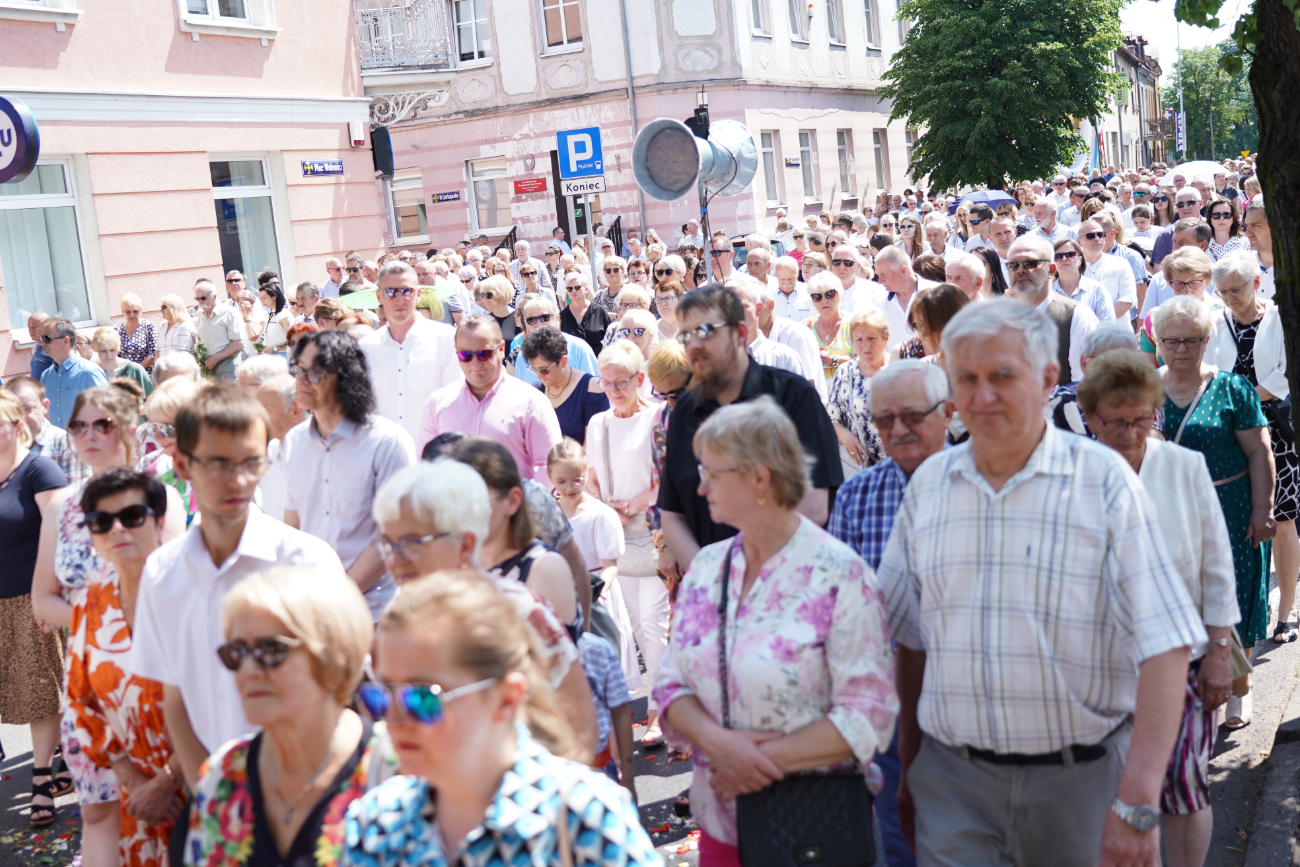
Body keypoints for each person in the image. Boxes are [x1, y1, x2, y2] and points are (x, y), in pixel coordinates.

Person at [878, 298, 1206, 867]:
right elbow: (911, 640)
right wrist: (910, 768)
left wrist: (1137, 800)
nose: (983, 396)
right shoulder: (928, 487)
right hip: (953, 788)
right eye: (967, 378)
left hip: (1082, 786)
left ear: (1049, 377)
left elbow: (1166, 644)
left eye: (1002, 375)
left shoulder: (1105, 484)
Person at [653, 398, 897, 865]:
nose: (699, 487)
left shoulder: (838, 573)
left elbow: (868, 713)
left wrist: (755, 762)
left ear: (760, 478)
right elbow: (669, 684)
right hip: (722, 824)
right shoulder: (707, 567)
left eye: (713, 473)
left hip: (814, 828)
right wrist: (722, 744)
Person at [343, 570, 653, 866]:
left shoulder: (584, 815)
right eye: (380, 696)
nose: (393, 721)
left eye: (423, 698)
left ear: (506, 697)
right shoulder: (374, 824)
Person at [129, 384, 347, 805]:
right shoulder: (161, 572)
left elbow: (339, 687)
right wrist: (209, 797)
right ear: (182, 465)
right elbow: (174, 696)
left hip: (306, 795)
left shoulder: (307, 561)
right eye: (218, 464)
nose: (239, 480)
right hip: (215, 799)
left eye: (251, 461)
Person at [1077, 352, 1240, 867]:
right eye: (1114, 421)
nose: (1129, 431)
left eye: (1141, 418)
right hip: (1098, 668)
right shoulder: (1071, 475)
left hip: (1186, 658)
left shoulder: (1184, 466)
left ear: (1155, 412)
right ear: (1089, 417)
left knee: (1184, 782)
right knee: (1108, 791)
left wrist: (1218, 651)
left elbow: (1216, 566)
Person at [30, 385, 184, 853]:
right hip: (87, 678)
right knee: (98, 811)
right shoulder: (62, 507)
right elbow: (42, 600)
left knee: (163, 810)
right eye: (79, 425)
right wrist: (99, 621)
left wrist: (107, 619)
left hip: (152, 672)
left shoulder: (159, 499)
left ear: (131, 431)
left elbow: (171, 587)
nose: (89, 435)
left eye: (103, 424)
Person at [369, 459, 600, 752]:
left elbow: (578, 727)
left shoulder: (520, 612)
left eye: (412, 542)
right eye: (387, 544)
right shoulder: (396, 617)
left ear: (465, 545)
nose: (395, 558)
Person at [184, 567, 397, 865]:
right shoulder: (221, 776)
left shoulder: (394, 769)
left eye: (271, 650)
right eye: (237, 653)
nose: (248, 671)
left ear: (332, 656)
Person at [828, 359, 952, 867]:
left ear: (947, 413)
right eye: (884, 420)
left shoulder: (984, 482)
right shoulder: (858, 493)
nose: (897, 430)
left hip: (973, 701)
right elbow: (839, 608)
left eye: (912, 416)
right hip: (891, 704)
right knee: (903, 842)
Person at [1154, 294, 1276, 728]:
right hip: (1169, 512)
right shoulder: (1145, 389)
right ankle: (1187, 688)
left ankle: (1238, 690)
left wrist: (1263, 510)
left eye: (1192, 340)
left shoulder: (1232, 387)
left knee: (1235, 595)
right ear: (1157, 341)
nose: (1182, 349)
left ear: (1207, 341)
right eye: (1172, 341)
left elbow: (1260, 453)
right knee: (1185, 596)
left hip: (1230, 505)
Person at [658, 285, 841, 571]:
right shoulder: (684, 410)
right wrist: (709, 576)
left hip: (788, 582)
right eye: (686, 335)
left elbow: (816, 505)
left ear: (740, 334)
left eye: (705, 331)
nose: (694, 344)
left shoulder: (794, 396)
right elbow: (672, 513)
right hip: (711, 590)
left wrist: (748, 570)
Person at [72, 469, 187, 863]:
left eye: (132, 516)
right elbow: (81, 699)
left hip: (201, 781)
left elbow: (223, 701)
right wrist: (136, 781)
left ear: (158, 522)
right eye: (102, 522)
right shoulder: (90, 602)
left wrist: (169, 781)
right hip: (135, 794)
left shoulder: (192, 595)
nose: (117, 529)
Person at [284, 332, 415, 620]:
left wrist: (340, 595)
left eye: (315, 371)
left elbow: (393, 535)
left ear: (345, 377)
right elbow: (293, 527)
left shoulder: (387, 441)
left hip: (375, 612)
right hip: (312, 610)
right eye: (298, 369)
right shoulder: (293, 442)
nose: (302, 381)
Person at [1208, 251, 1298, 645]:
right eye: (1222, 291)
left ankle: (1286, 612)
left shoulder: (1279, 317)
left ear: (1257, 283)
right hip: (1233, 433)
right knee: (1239, 520)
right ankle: (1248, 609)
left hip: (1276, 430)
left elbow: (1286, 371)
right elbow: (1210, 372)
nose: (1229, 297)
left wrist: (1245, 397)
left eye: (1236, 290)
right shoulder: (1215, 320)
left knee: (1281, 521)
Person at [585, 341, 667, 744]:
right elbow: (591, 476)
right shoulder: (598, 423)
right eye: (608, 382)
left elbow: (666, 473)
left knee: (653, 623)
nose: (615, 389)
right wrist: (604, 507)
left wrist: (636, 503)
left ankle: (660, 710)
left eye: (623, 381)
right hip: (614, 537)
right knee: (633, 624)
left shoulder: (656, 418)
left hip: (651, 531)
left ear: (640, 379)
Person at [0, 389, 68, 829]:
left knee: (42, 693)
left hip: (30, 600)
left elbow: (62, 536)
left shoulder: (38, 469)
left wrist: (51, 598)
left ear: (16, 424)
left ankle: (42, 777)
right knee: (14, 691)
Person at [419, 315, 562, 481]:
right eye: (466, 355)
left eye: (483, 354)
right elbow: (425, 466)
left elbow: (551, 464)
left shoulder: (531, 402)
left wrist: (522, 504)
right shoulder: (438, 403)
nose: (475, 363)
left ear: (501, 349)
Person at [358, 262, 462, 445]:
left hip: (434, 457)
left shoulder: (446, 339)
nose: (399, 299)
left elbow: (456, 402)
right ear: (379, 296)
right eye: (391, 292)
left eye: (406, 291)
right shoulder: (366, 347)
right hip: (384, 459)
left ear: (418, 294)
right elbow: (364, 409)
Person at [1004, 235, 1099, 385]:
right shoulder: (999, 320)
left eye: (1030, 263)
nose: (1020, 270)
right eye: (1013, 265)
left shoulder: (1075, 316)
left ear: (1051, 270)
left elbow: (1086, 387)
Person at [522, 326, 609, 444]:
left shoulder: (592, 390)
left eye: (544, 370)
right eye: (534, 369)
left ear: (563, 361)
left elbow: (593, 447)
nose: (539, 376)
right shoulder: (537, 390)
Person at [828, 309, 890, 473]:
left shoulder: (901, 368)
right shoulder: (844, 372)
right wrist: (845, 436)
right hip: (860, 469)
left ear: (886, 338)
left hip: (899, 466)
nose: (866, 346)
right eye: (859, 339)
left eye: (871, 338)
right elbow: (831, 419)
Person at [140, 377, 202, 528]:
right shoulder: (152, 465)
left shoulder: (227, 471)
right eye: (154, 427)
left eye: (168, 429)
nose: (157, 437)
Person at [5, 376, 88, 484]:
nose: (21, 417)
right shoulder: (5, 443)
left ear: (44, 406)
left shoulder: (65, 443)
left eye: (27, 409)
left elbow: (77, 494)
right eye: (13, 411)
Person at [509, 295, 599, 385]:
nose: (539, 324)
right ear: (527, 328)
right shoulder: (522, 357)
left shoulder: (579, 349)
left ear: (557, 319)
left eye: (544, 318)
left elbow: (595, 388)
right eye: (531, 320)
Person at [39, 317, 109, 429]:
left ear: (66, 340)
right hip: (57, 445)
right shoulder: (46, 376)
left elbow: (107, 413)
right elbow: (46, 416)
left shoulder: (89, 372)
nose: (42, 343)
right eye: (41, 338)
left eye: (47, 338)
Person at [1076, 218, 1138, 320]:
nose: (1097, 239)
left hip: (1116, 332)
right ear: (1079, 242)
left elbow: (1127, 299)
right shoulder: (1073, 268)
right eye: (1090, 236)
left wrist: (1101, 322)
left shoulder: (1120, 264)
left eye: (1100, 234)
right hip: (1082, 331)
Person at [803, 272, 855, 384]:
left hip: (849, 395)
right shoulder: (804, 327)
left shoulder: (855, 323)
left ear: (839, 295)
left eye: (829, 294)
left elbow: (865, 359)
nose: (824, 301)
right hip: (815, 397)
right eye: (817, 296)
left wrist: (832, 360)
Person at [1053, 238, 1116, 322]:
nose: (1064, 259)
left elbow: (1107, 325)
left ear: (1080, 260)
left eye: (1070, 255)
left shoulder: (1097, 290)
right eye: (1058, 257)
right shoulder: (1046, 293)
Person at [193, 278, 244, 381]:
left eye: (203, 298)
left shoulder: (229, 313)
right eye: (197, 299)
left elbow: (239, 343)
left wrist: (215, 359)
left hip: (227, 365)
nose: (200, 302)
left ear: (215, 296)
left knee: (229, 397)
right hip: (208, 366)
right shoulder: (200, 315)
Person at [92, 327, 154, 396]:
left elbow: (151, 399)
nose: (109, 355)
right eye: (103, 351)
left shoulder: (135, 369)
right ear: (95, 349)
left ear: (119, 348)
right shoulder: (92, 373)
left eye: (112, 350)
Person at [1242, 198, 1276, 301]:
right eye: (1247, 226)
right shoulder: (1240, 265)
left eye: (1255, 225)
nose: (1247, 233)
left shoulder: (1294, 268)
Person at [116, 294, 158, 371]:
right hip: (123, 375)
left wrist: (135, 371)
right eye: (128, 312)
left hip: (144, 375)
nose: (132, 315)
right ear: (123, 312)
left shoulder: (149, 327)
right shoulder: (117, 330)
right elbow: (114, 354)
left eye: (135, 311)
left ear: (141, 311)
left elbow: (154, 354)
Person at [1206, 196, 1250, 261]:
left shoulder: (1245, 243)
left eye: (1226, 215)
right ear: (1210, 219)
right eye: (1216, 215)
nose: (1221, 218)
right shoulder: (1203, 244)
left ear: (1233, 218)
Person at [156, 295, 198, 359]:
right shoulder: (162, 325)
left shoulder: (185, 326)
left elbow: (183, 356)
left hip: (178, 368)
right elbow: (157, 351)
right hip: (162, 368)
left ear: (173, 308)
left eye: (163, 307)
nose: (160, 310)